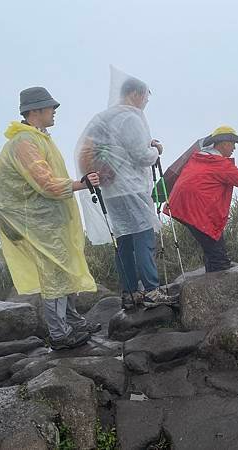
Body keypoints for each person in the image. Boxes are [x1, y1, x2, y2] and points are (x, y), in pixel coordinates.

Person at [0, 87, 101, 350]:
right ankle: (59, 334)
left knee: (63, 268)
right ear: (35, 111)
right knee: (54, 272)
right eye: (50, 107)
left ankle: (73, 322)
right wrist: (80, 184)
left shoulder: (37, 138)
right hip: (35, 221)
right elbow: (44, 182)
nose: (54, 111)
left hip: (47, 219)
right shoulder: (23, 143)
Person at [75, 68, 173, 309]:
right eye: (146, 96)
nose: (147, 101)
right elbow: (140, 155)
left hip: (111, 189)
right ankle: (151, 290)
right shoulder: (130, 117)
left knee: (124, 240)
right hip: (132, 188)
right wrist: (156, 150)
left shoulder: (104, 118)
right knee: (143, 235)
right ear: (136, 93)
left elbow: (107, 148)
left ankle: (130, 293)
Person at [167, 126, 238, 272]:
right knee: (218, 256)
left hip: (180, 207)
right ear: (225, 143)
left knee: (212, 250)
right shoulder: (220, 165)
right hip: (198, 213)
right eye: (233, 144)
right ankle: (216, 292)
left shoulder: (198, 158)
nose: (234, 148)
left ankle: (206, 285)